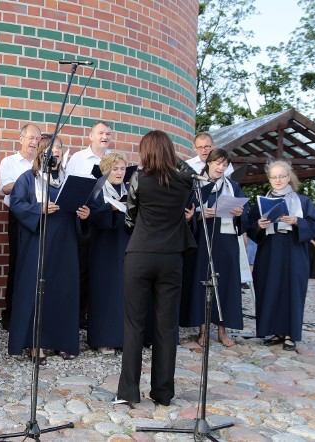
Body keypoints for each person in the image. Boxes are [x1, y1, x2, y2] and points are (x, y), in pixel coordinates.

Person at [116, 130, 196, 407]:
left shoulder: (139, 178)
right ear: (170, 153)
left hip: (140, 254)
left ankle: (128, 392)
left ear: (146, 152)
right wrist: (175, 159)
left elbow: (130, 219)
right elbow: (192, 171)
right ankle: (163, 393)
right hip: (171, 258)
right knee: (166, 327)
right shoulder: (184, 181)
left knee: (134, 325)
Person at [8, 135, 89, 362]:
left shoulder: (67, 180)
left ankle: (63, 341)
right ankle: (36, 343)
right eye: (51, 149)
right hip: (39, 242)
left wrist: (84, 215)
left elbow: (78, 207)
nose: (56, 152)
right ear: (40, 152)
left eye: (59, 148)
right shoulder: (28, 178)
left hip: (65, 243)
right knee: (37, 290)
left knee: (64, 290)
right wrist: (38, 208)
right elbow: (17, 205)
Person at [248, 160, 315, 351]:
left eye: (282, 176)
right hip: (269, 252)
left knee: (291, 291)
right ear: (269, 179)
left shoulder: (303, 201)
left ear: (289, 177)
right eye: (274, 176)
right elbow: (250, 227)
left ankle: (290, 334)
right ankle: (275, 330)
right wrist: (259, 225)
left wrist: (297, 221)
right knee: (269, 288)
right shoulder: (262, 201)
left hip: (294, 252)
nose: (278, 180)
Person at [183, 148, 248, 348]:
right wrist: (200, 215)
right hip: (204, 241)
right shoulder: (196, 185)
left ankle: (222, 330)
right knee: (203, 281)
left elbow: (245, 217)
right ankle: (202, 330)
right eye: (217, 163)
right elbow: (187, 213)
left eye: (224, 164)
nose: (221, 167)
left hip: (226, 241)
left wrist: (239, 213)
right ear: (209, 163)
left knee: (226, 283)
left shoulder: (233, 186)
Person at [66, 121, 113, 328]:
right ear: (91, 135)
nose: (105, 137)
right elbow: (69, 186)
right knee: (82, 267)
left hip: (105, 217)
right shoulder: (78, 158)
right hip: (82, 217)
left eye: (108, 134)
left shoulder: (112, 158)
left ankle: (97, 314)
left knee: (102, 267)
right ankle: (78, 315)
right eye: (101, 133)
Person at [87, 153, 130, 355]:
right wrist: (109, 209)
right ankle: (103, 338)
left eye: (122, 169)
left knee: (124, 292)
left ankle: (123, 338)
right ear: (105, 171)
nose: (119, 172)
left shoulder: (130, 190)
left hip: (126, 244)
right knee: (104, 291)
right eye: (115, 169)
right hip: (103, 248)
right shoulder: (96, 191)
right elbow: (90, 217)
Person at [0, 123, 41, 330]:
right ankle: (11, 314)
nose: (34, 143)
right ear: (21, 139)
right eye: (31, 138)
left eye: (38, 139)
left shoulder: (44, 163)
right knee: (17, 263)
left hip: (42, 216)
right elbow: (5, 188)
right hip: (19, 215)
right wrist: (27, 181)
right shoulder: (9, 162)